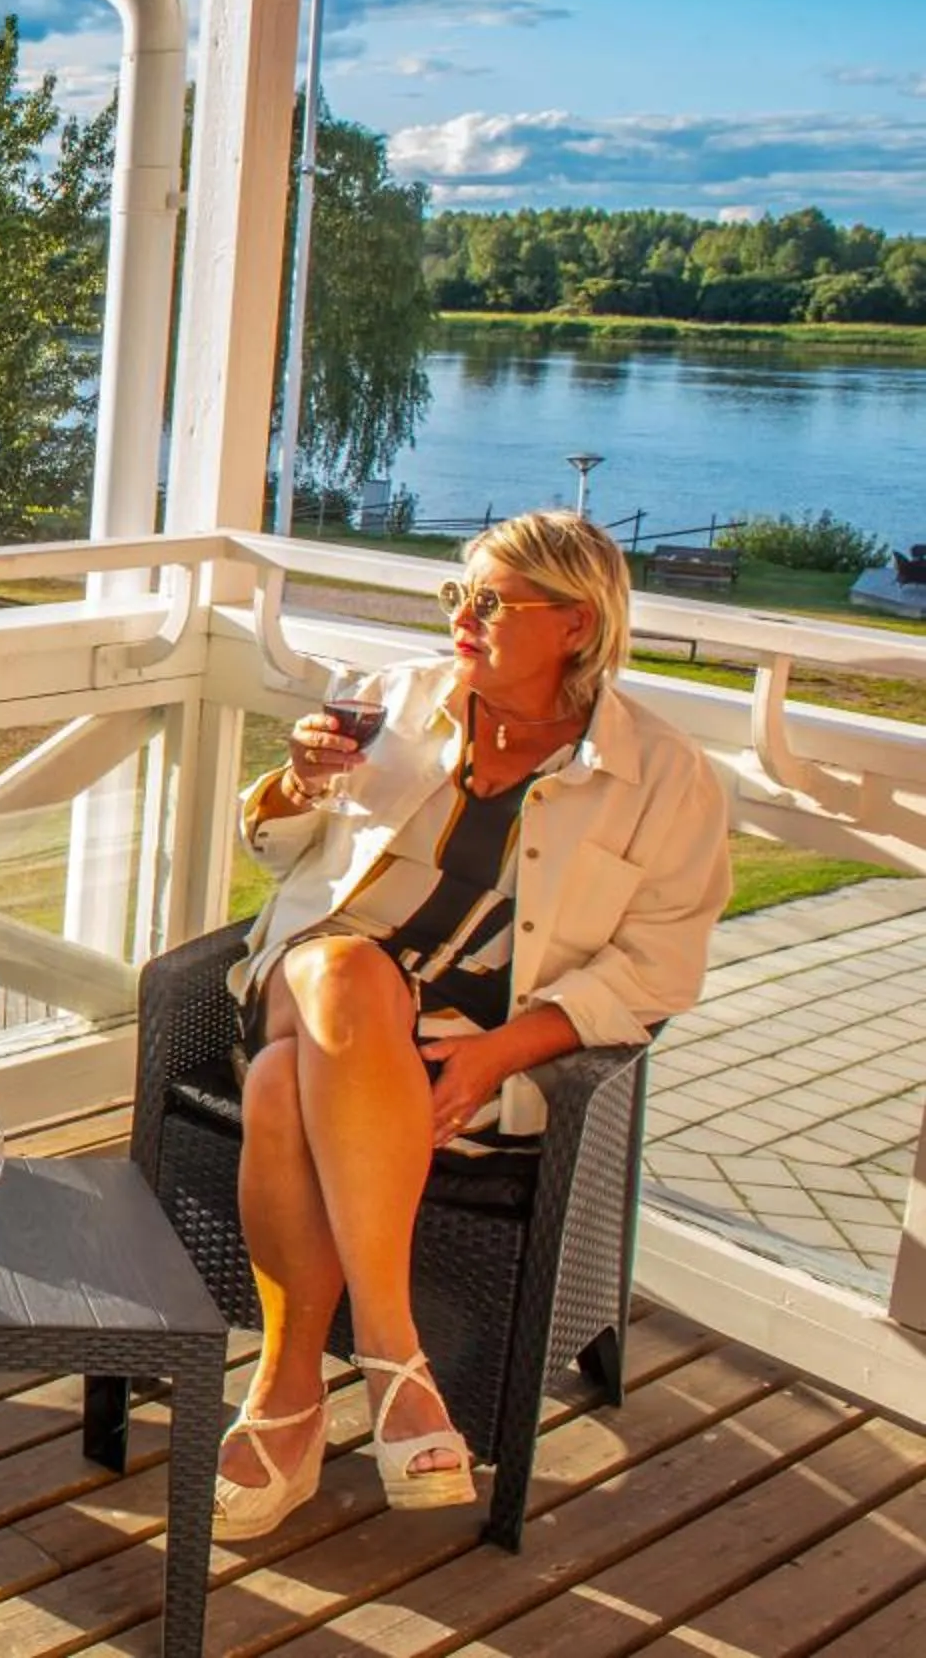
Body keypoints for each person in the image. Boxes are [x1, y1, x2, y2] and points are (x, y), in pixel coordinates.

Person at [211, 510, 730, 1540]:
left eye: (491, 601)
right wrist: (298, 782)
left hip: (468, 1042)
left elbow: (661, 965)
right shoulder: (393, 701)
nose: (462, 618)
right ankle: (399, 1359)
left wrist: (503, 1049)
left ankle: (288, 1392)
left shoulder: (666, 778)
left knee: (280, 1086)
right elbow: (277, 852)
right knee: (350, 970)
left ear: (575, 626)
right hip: (313, 970)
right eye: (459, 594)